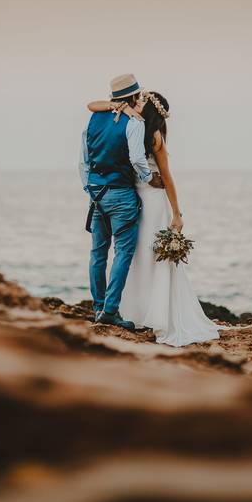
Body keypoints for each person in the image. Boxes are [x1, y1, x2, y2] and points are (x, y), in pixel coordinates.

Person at [85, 88, 222, 347]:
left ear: (146, 108)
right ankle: (136, 309)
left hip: (148, 200)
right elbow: (94, 106)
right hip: (134, 198)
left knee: (145, 254)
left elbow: (167, 178)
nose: (137, 102)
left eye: (141, 100)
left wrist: (176, 214)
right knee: (135, 256)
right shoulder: (132, 128)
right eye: (136, 98)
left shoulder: (150, 135)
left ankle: (147, 310)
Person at [78, 74, 164, 329]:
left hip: (96, 192)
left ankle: (98, 306)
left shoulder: (94, 119)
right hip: (121, 193)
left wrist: (89, 187)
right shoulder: (133, 122)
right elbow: (137, 159)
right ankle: (111, 310)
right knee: (123, 252)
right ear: (134, 96)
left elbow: (83, 159)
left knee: (97, 253)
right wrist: (149, 178)